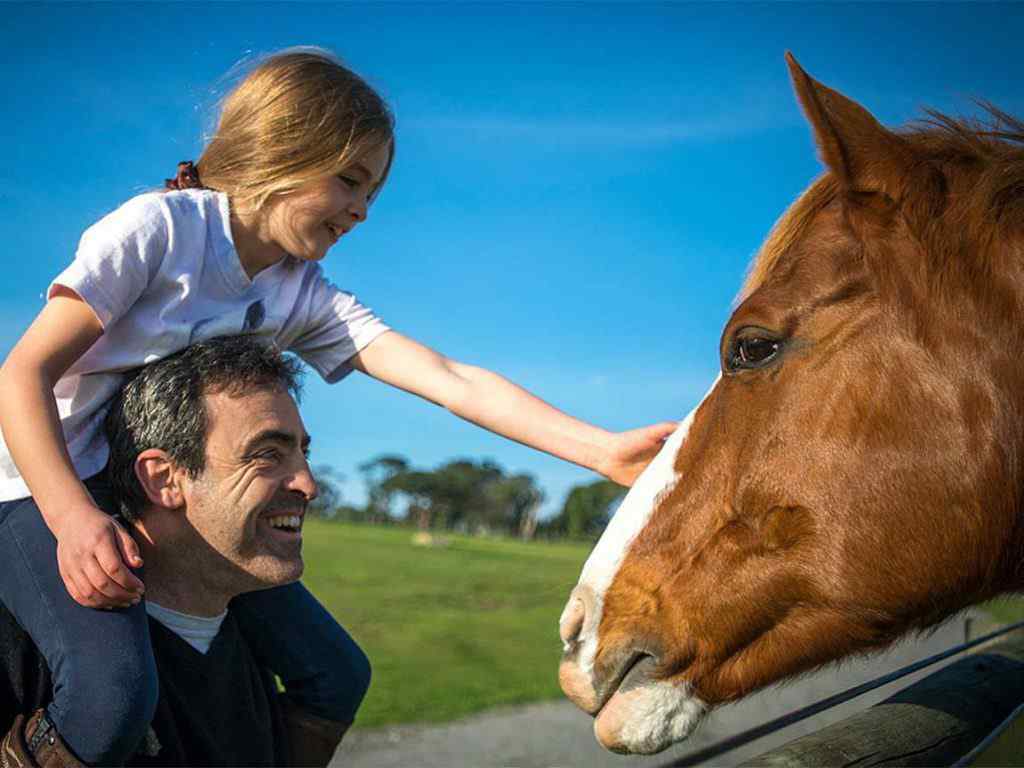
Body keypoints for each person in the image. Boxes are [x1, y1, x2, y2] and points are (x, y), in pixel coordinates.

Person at [0, 48, 676, 766]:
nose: (360, 210)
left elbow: (450, 377)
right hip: (31, 489)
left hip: (147, 499)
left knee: (337, 673)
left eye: (373, 194)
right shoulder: (160, 231)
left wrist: (600, 451)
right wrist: (71, 517)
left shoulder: (300, 292)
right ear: (278, 152)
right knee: (114, 693)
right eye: (349, 180)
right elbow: (20, 375)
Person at [2, 337, 357, 767]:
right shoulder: (29, 651)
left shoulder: (255, 641)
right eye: (267, 454)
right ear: (164, 479)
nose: (309, 484)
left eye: (303, 452)